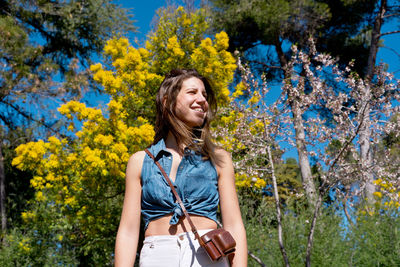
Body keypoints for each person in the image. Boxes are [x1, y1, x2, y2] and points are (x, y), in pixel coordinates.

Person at [115, 69, 247, 267]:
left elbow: (234, 225)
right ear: (167, 102)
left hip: (207, 255)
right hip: (157, 256)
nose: (202, 99)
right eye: (192, 92)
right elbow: (128, 230)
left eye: (204, 95)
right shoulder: (139, 161)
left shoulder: (219, 158)